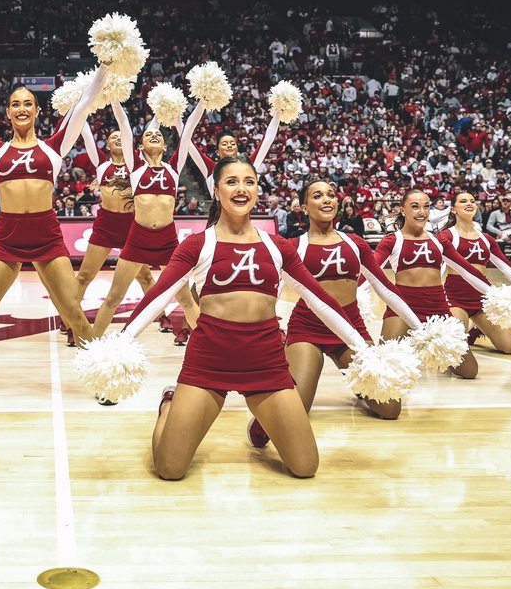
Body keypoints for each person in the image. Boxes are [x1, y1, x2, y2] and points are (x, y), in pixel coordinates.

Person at [119, 157, 367, 480]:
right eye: (232, 181)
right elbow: (158, 296)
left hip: (265, 361)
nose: (241, 188)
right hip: (209, 359)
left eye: (249, 181)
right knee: (170, 468)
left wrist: (365, 349)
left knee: (306, 466)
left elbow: (321, 300)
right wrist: (119, 343)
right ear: (216, 190)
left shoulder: (277, 246)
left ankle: (261, 411)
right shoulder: (197, 244)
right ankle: (170, 403)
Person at [0, 65, 107, 354]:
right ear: (7, 112)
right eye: (15, 104)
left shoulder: (54, 146)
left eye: (27, 103)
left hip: (48, 236)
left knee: (75, 316)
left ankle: (104, 378)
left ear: (37, 111)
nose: (21, 108)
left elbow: (83, 104)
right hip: (9, 238)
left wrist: (104, 66)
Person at [249, 179, 426, 449]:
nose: (327, 200)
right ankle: (262, 416)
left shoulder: (355, 243)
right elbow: (272, 293)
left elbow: (386, 289)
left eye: (331, 195)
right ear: (305, 206)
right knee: (297, 411)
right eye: (317, 196)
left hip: (351, 329)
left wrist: (420, 328)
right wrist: (266, 333)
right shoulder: (293, 246)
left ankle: (358, 383)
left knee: (390, 409)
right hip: (308, 329)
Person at [92, 102, 201, 346]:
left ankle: (212, 347)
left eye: (159, 135)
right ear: (140, 147)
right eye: (149, 134)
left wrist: (203, 99)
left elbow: (189, 129)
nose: (154, 135)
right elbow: (124, 126)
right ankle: (90, 346)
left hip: (168, 241)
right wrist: (116, 99)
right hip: (138, 238)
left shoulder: (173, 168)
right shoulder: (136, 168)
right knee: (114, 297)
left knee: (185, 299)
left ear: (164, 145)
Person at [374, 190, 493, 379]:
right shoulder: (392, 240)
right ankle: (413, 341)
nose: (422, 211)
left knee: (470, 371)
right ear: (403, 210)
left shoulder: (439, 241)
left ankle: (432, 348)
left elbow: (468, 270)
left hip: (437, 308)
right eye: (415, 207)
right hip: (403, 308)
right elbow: (370, 271)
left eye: (426, 206)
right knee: (383, 367)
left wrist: (494, 293)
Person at [73, 123, 158, 332]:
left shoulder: (137, 163)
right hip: (106, 225)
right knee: (84, 275)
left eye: (122, 136)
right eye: (113, 137)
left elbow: (151, 130)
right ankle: (71, 320)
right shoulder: (101, 163)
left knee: (145, 276)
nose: (118, 139)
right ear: (108, 145)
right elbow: (86, 135)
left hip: (132, 225)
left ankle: (161, 316)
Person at [439, 191, 511, 355]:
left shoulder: (486, 239)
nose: (469, 203)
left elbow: (507, 268)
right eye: (463, 201)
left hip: (483, 297)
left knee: (509, 347)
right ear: (453, 209)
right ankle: (464, 327)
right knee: (456, 345)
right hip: (455, 297)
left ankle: (477, 327)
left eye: (472, 200)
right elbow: (439, 267)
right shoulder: (446, 236)